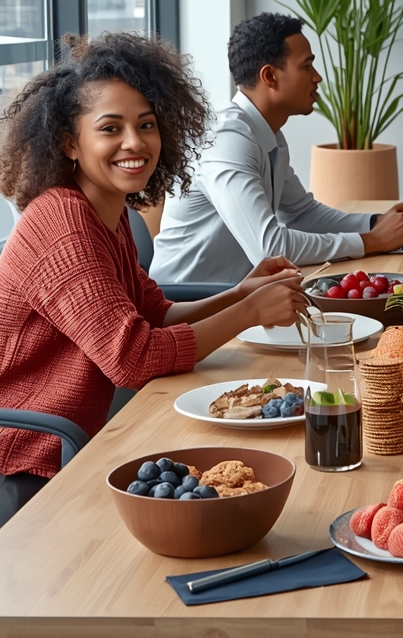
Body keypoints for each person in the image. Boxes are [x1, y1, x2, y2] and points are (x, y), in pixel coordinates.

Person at [0, 33, 308, 525]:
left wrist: (240, 292)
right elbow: (133, 358)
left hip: (83, 434)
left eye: (146, 125)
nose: (134, 143)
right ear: (69, 142)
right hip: (27, 454)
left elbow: (154, 312)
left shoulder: (110, 211)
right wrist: (248, 313)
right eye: (110, 128)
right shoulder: (61, 223)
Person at [150, 13, 403, 285]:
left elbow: (301, 214)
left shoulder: (268, 133)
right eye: (307, 67)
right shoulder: (227, 139)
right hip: (186, 304)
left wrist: (375, 223)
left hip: (232, 297)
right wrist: (371, 241)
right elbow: (269, 248)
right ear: (269, 76)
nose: (317, 78)